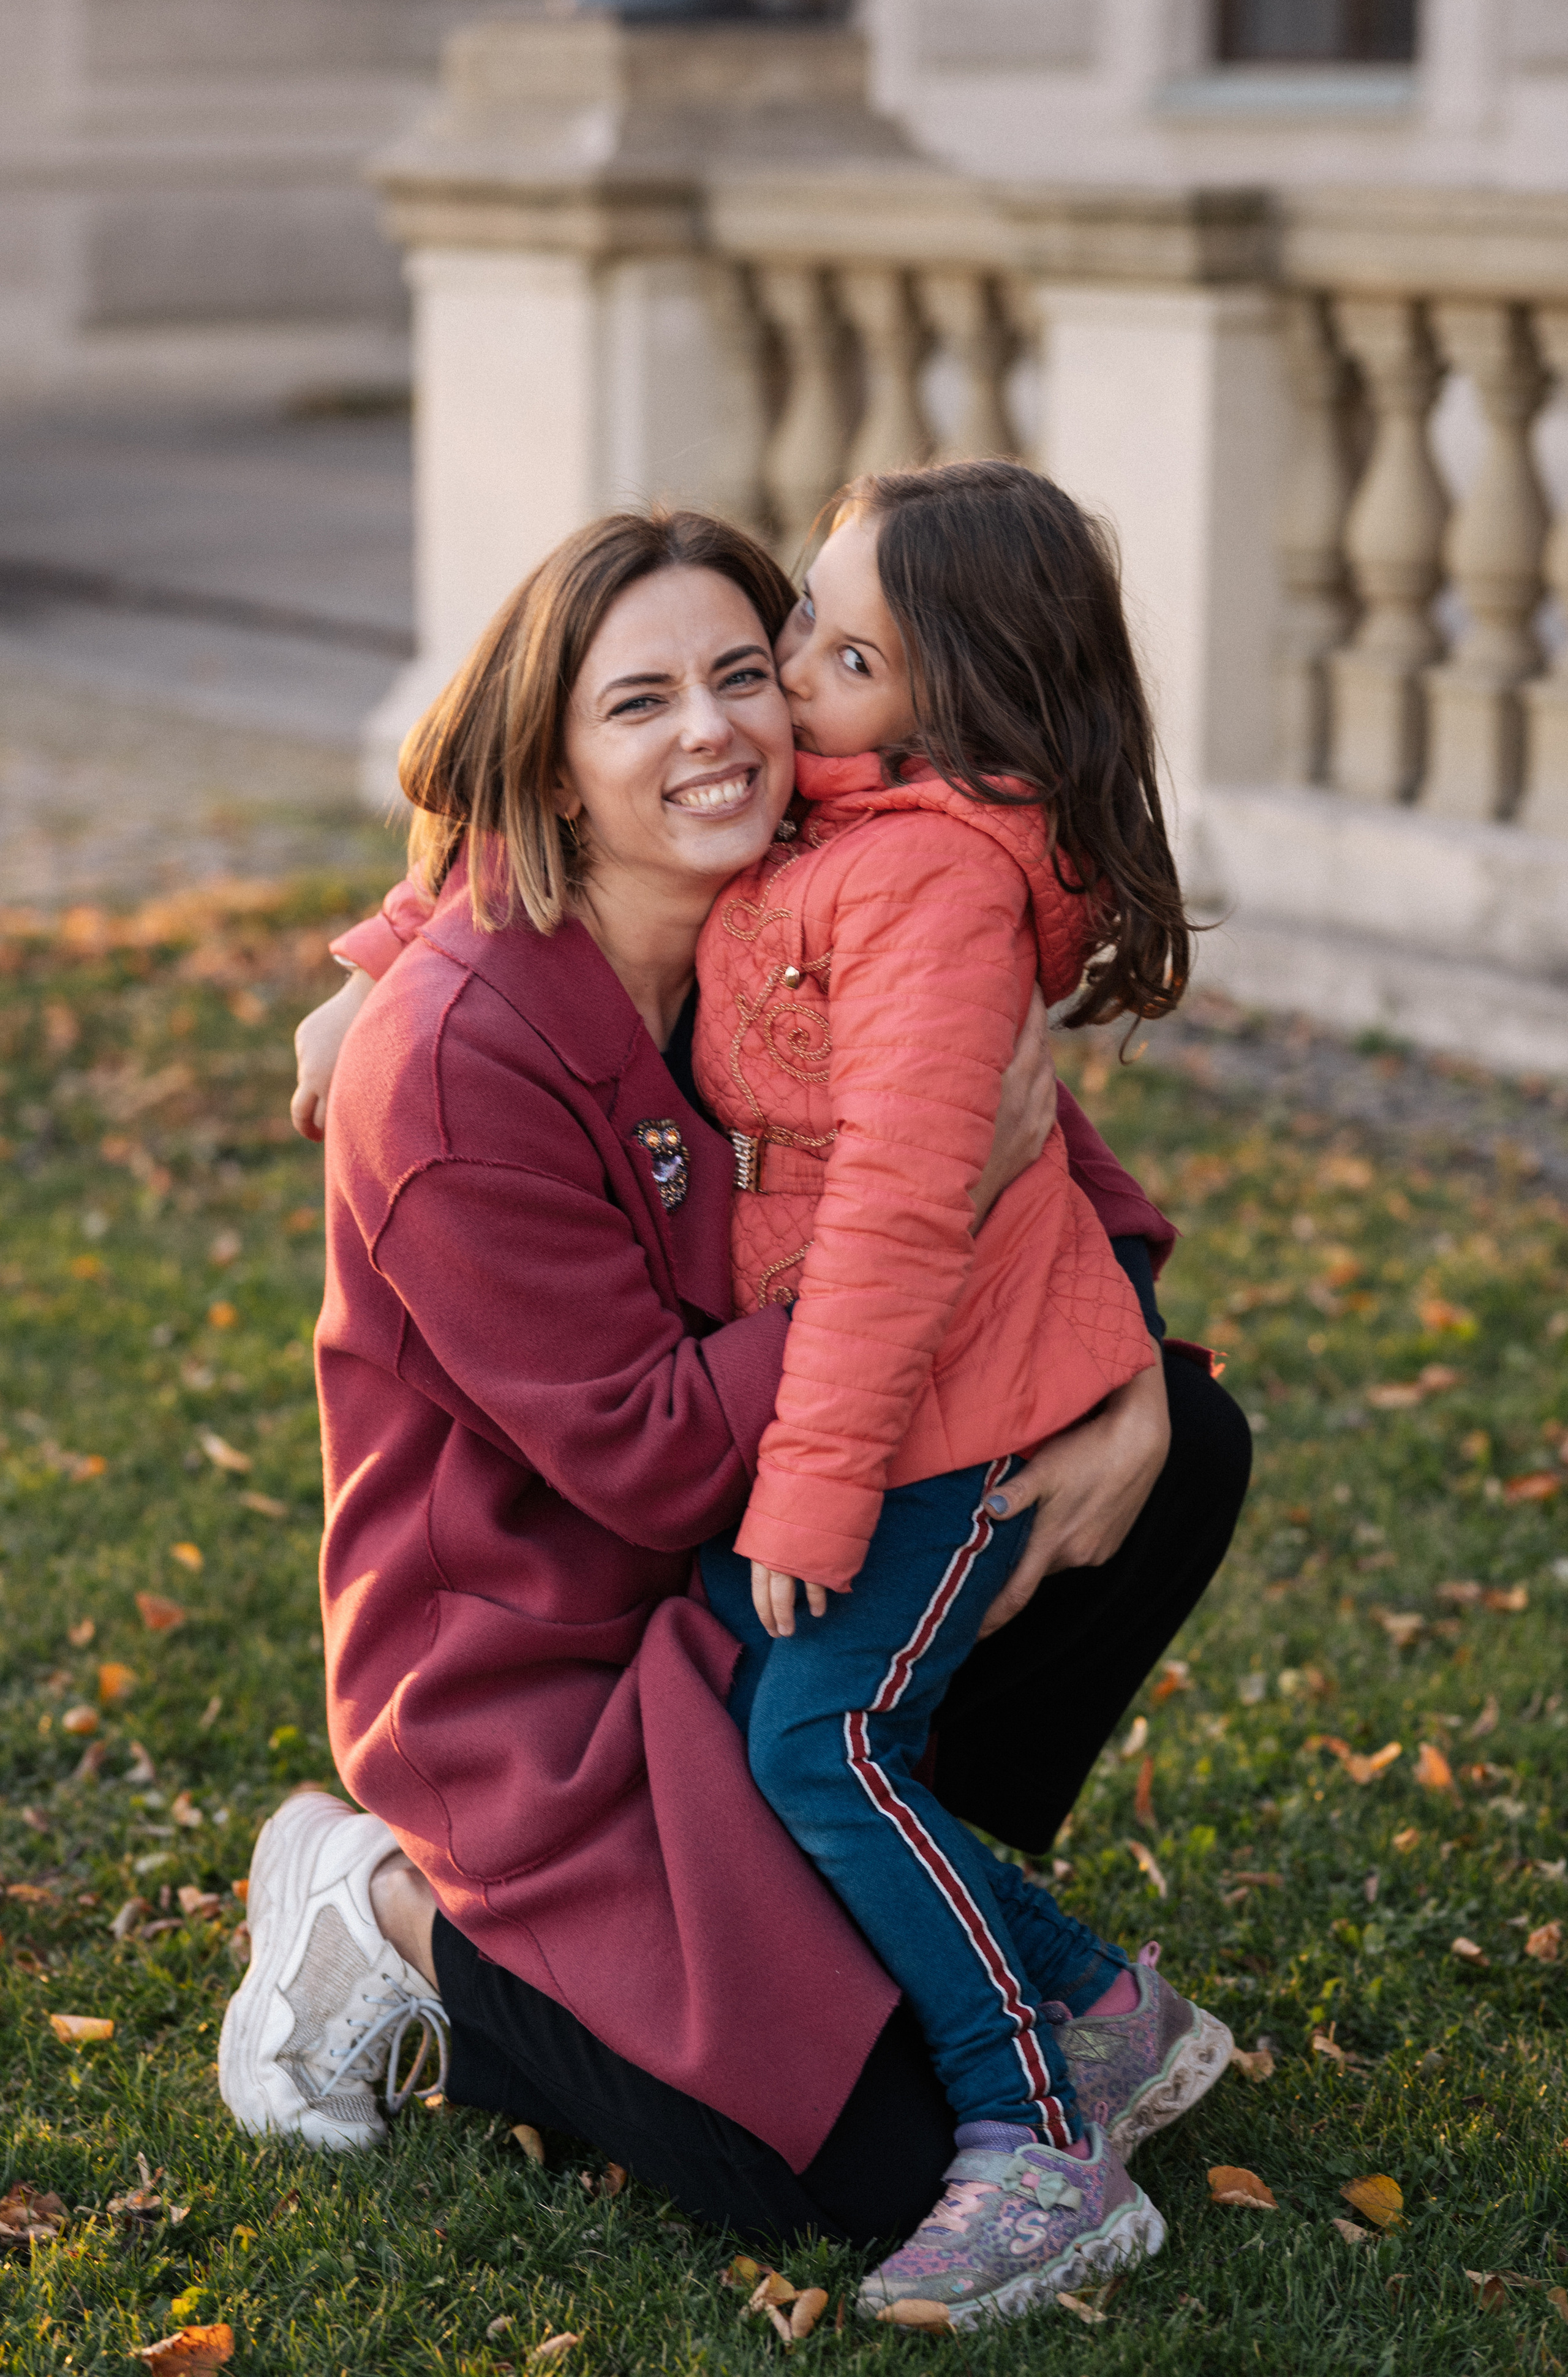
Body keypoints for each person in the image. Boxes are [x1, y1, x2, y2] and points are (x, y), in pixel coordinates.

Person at [221, 505, 1250, 2293]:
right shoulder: (460, 1057)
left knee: (1184, 1449)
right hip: (545, 1674)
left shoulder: (801, 907)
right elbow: (651, 1453)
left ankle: (898, 1859)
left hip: (756, 1589)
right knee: (850, 2178)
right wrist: (890, 1246)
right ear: (553, 763)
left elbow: (1047, 1175)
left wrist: (1134, 1384)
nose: (708, 727)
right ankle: (380, 1914)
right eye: (640, 702)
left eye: (743, 675)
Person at [686, 461, 1232, 2320]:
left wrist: (816, 1481)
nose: (782, 680)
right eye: (799, 627)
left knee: (824, 1743)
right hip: (890, 1400)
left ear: (960, 705)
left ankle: (1038, 2137)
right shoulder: (849, 822)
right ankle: (1100, 2005)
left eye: (835, 654)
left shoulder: (927, 877)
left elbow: (911, 1211)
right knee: (780, 1726)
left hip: (948, 1417)